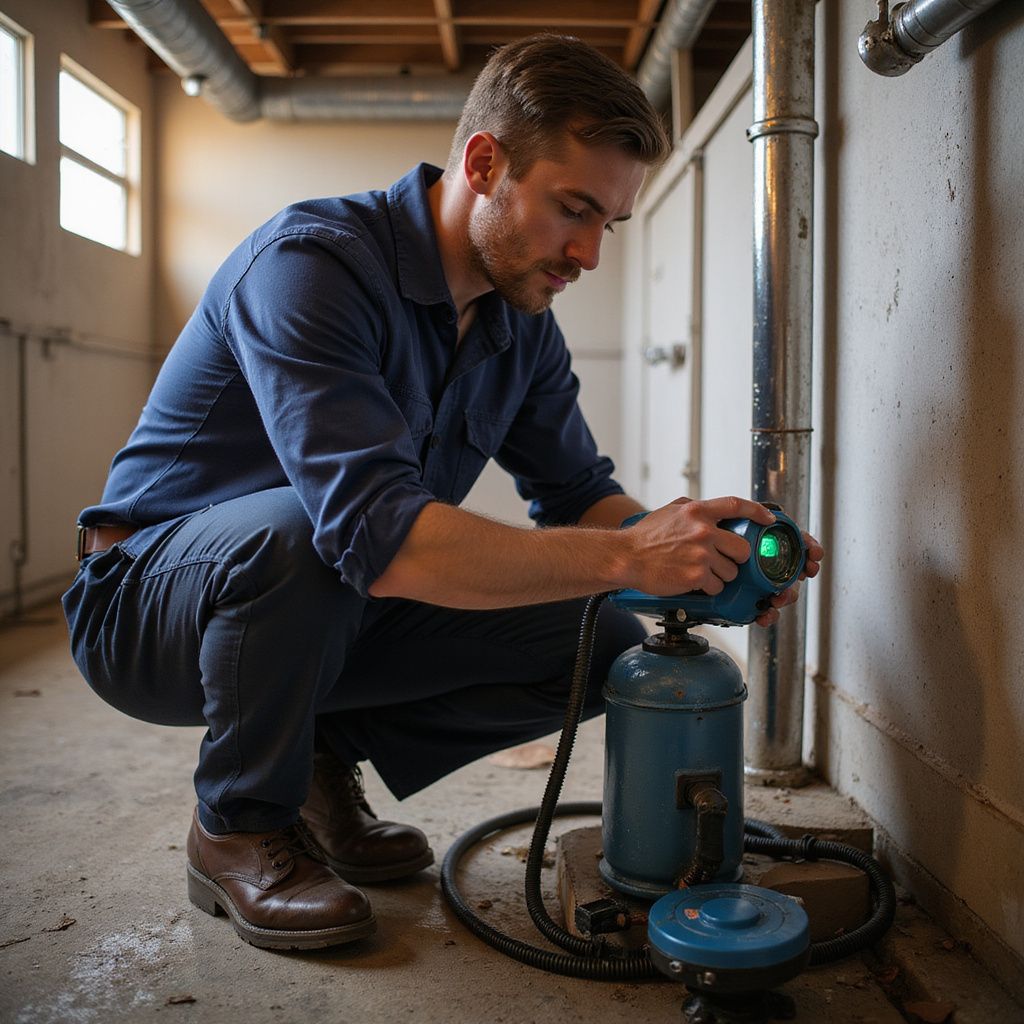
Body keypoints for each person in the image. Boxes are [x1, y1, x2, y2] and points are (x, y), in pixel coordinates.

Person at [63, 34, 823, 953]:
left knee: (603, 640)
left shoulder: (522, 319)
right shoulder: (314, 265)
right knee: (311, 533)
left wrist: (697, 550)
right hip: (150, 609)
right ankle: (235, 823)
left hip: (331, 602)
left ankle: (317, 761)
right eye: (572, 209)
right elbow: (381, 538)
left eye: (607, 225)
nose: (587, 253)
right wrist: (628, 555)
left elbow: (581, 497)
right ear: (483, 162)